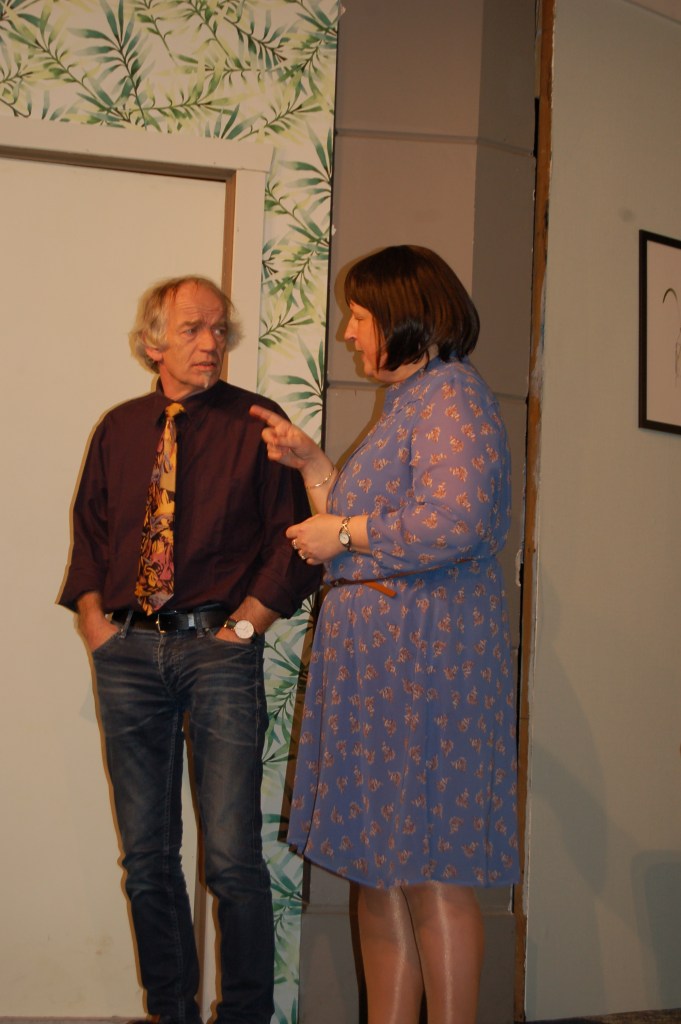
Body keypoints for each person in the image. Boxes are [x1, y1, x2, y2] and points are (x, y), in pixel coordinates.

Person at [250, 245, 519, 1024]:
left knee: (428, 868)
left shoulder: (451, 396)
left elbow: (455, 521)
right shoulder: (410, 402)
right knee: (380, 868)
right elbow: (368, 522)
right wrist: (314, 465)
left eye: (360, 316)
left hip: (424, 664)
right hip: (383, 666)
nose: (347, 332)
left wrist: (343, 530)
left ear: (406, 316)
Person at [59, 275, 321, 1024]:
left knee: (232, 858)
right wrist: (94, 622)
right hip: (128, 654)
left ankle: (244, 1015)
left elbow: (295, 540)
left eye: (218, 330)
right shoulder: (118, 429)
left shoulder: (258, 426)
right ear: (154, 343)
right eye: (192, 329)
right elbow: (91, 533)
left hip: (219, 653)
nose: (210, 343)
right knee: (146, 858)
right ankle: (169, 1011)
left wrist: (247, 626)